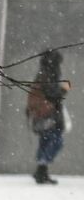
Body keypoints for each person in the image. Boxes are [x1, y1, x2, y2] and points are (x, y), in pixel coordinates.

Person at [28, 49, 70, 185]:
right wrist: (65, 88)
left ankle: (41, 171)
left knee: (46, 141)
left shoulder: (42, 74)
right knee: (55, 141)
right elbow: (53, 95)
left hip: (41, 115)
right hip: (49, 115)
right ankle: (41, 169)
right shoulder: (49, 75)